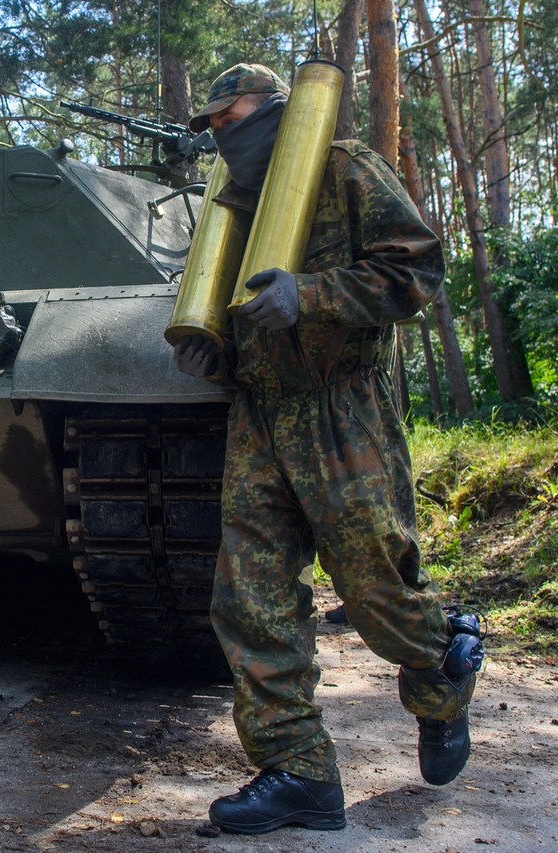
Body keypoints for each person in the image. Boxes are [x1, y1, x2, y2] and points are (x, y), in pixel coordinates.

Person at [172, 64, 484, 835]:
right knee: (250, 599)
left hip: (341, 408)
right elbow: (230, 309)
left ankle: (443, 673)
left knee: (378, 592)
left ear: (274, 107)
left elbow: (416, 270)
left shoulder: (346, 167)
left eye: (229, 114)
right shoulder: (228, 206)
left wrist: (308, 295)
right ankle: (299, 771)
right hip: (261, 417)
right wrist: (217, 354)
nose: (219, 132)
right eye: (209, 124)